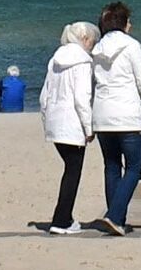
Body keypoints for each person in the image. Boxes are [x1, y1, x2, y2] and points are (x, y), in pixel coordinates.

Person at [85, 1, 141, 233]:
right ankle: (115, 215)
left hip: (102, 114)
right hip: (128, 114)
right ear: (124, 23)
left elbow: (91, 85)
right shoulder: (132, 46)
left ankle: (117, 219)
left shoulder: (95, 49)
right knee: (134, 167)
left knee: (111, 166)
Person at [36, 20, 96, 232]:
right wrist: (89, 128)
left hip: (55, 120)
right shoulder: (83, 62)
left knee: (69, 169)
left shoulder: (55, 59)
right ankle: (62, 220)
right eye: (92, 41)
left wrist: (46, 120)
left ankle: (64, 217)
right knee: (73, 171)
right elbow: (82, 98)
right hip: (72, 124)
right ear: (85, 39)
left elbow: (44, 95)